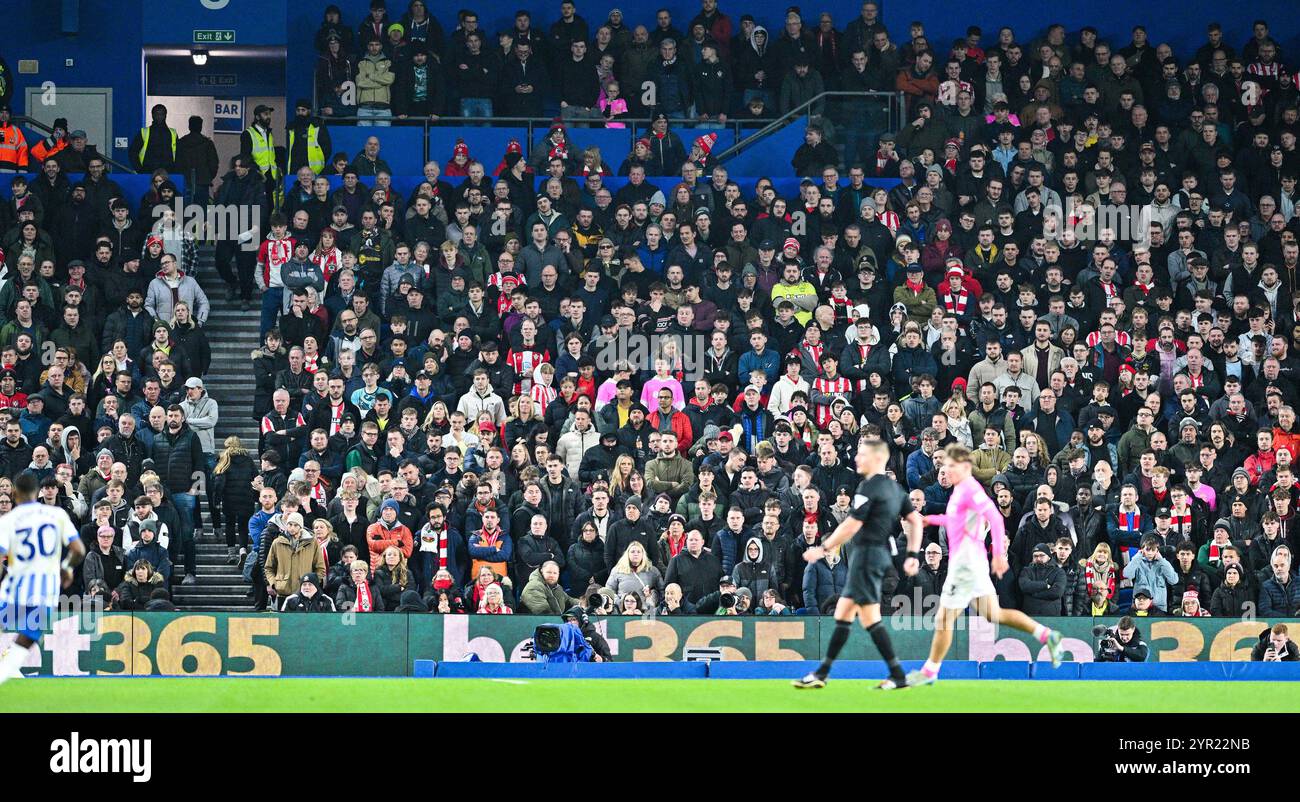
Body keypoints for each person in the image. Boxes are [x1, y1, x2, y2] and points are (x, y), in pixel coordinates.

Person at [907, 444, 1065, 687]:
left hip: (966, 564)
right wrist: (929, 519)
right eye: (946, 465)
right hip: (970, 562)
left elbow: (994, 516)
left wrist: (1000, 554)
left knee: (944, 620)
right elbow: (956, 520)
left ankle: (929, 672)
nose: (947, 470)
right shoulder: (960, 492)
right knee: (994, 614)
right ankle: (1047, 635)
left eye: (952, 466)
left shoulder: (970, 488)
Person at [793, 439, 925, 690]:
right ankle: (826, 673)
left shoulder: (867, 487)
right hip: (877, 558)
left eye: (862, 454)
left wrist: (823, 548)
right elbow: (916, 521)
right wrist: (912, 555)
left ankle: (894, 675)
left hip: (866, 557)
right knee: (847, 614)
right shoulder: (895, 489)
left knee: (867, 619)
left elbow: (852, 524)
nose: (856, 458)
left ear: (876, 459)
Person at [0, 472, 85, 683]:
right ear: (37, 491)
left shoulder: (9, 520)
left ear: (15, 494)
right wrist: (66, 568)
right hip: (46, 589)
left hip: (15, 586)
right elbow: (79, 550)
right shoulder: (57, 515)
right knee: (28, 635)